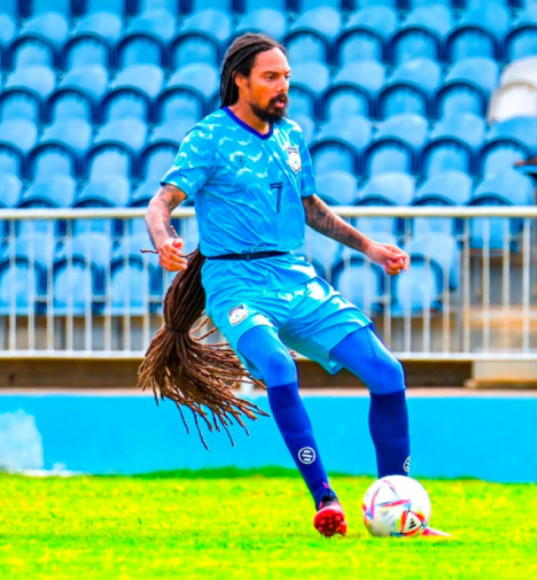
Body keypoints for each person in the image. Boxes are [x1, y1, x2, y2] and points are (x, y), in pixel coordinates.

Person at [143, 33, 448, 538]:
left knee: (388, 373)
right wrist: (164, 239)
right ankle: (325, 499)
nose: (282, 86)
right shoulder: (209, 137)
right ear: (239, 80)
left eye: (286, 77)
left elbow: (309, 207)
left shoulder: (291, 135)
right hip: (236, 283)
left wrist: (369, 247)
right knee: (280, 368)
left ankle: (398, 508)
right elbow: (161, 202)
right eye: (270, 77)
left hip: (296, 277)